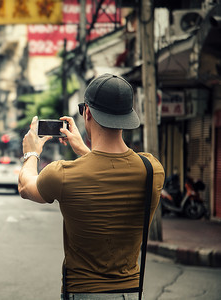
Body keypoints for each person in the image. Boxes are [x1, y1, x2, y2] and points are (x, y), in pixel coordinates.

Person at [18, 73, 165, 299]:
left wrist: (31, 152)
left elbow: (26, 187)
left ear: (87, 112)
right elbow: (111, 167)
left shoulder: (64, 174)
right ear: (127, 116)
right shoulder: (152, 170)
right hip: (131, 293)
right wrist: (85, 149)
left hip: (85, 293)